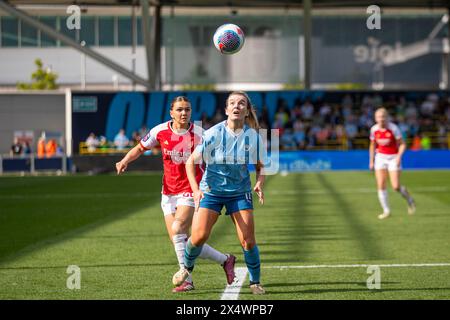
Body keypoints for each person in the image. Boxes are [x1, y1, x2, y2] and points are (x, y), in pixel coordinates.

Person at [115, 96, 235, 293]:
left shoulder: (199, 134)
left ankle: (186, 280)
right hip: (168, 191)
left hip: (192, 189)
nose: (184, 113)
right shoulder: (160, 131)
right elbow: (140, 148)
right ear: (171, 112)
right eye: (179, 109)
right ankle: (225, 260)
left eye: (187, 109)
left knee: (178, 228)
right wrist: (124, 160)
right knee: (182, 241)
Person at [172, 91, 268, 295]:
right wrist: (196, 191)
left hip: (239, 192)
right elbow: (191, 162)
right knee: (198, 237)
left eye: (241, 103)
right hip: (211, 191)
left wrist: (259, 182)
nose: (237, 106)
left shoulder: (253, 137)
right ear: (226, 110)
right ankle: (186, 269)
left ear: (247, 110)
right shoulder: (213, 134)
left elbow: (260, 166)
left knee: (248, 241)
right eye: (232, 103)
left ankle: (255, 282)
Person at [369, 108, 416, 220]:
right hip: (380, 157)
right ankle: (386, 211)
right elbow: (372, 145)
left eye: (383, 117)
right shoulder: (374, 129)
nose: (381, 119)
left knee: (395, 186)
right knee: (381, 184)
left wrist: (399, 157)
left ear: (387, 117)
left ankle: (409, 199)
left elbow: (402, 144)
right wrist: (371, 160)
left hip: (393, 157)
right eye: (379, 117)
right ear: (375, 118)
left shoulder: (393, 128)